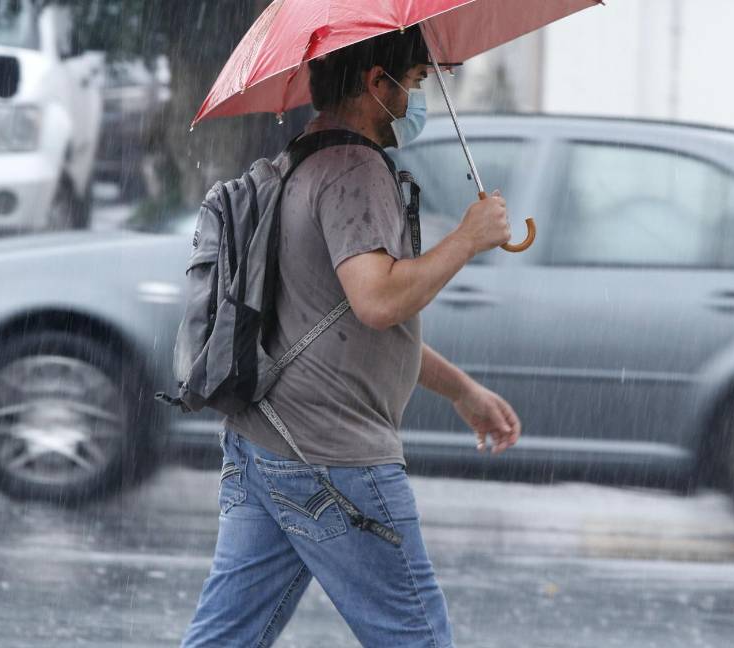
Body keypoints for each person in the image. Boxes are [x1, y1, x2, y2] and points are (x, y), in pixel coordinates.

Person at [180, 25, 522, 648]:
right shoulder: (355, 169)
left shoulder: (298, 161)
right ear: (376, 83)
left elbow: (332, 324)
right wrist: (468, 239)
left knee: (226, 639)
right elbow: (378, 300)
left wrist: (462, 391)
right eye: (416, 82)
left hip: (266, 445)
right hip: (334, 457)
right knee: (415, 638)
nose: (419, 98)